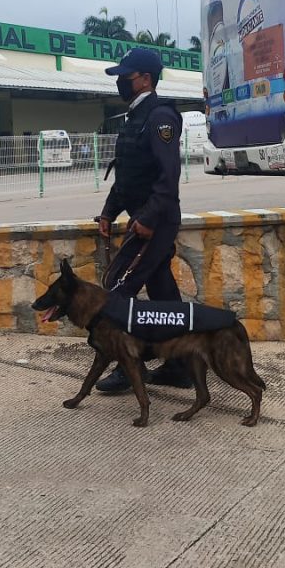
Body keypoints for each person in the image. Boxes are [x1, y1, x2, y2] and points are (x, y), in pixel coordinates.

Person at [95, 47, 192, 394]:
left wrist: (149, 219)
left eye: (126, 76)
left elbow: (169, 176)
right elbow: (128, 175)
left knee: (118, 288)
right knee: (163, 288)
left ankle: (128, 365)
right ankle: (182, 365)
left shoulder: (160, 116)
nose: (121, 82)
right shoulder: (135, 117)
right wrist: (109, 211)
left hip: (155, 220)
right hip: (143, 216)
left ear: (145, 79)